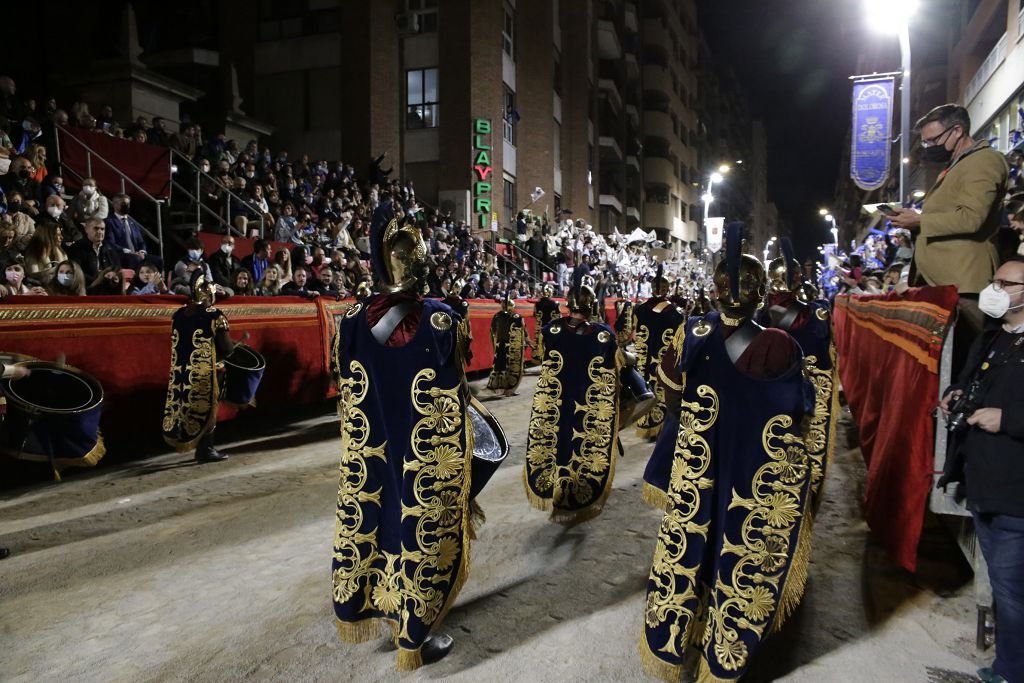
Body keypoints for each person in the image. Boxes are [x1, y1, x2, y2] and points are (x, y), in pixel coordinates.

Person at [640, 223, 812, 682]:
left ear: (714, 292)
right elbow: (800, 411)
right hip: (750, 469)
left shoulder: (690, 331)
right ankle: (724, 643)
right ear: (760, 296)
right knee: (736, 549)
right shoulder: (781, 345)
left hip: (699, 466)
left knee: (692, 545)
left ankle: (683, 637)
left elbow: (670, 396)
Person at [331, 201, 472, 669]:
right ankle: (415, 636)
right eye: (407, 247)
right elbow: (458, 396)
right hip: (421, 459)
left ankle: (381, 610)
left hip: (374, 458)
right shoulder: (439, 319)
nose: (417, 256)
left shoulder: (350, 321)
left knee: (375, 524)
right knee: (418, 528)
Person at [938, 257, 1024, 683]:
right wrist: (955, 395)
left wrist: (1006, 419)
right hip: (984, 483)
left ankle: (1012, 670)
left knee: (1010, 592)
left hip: (1015, 492)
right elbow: (971, 383)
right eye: (993, 281)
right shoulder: (992, 338)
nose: (995, 289)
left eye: (1006, 283)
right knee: (1007, 588)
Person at [889, 104, 1009, 333]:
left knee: (964, 356)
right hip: (944, 283)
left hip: (964, 282)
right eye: (926, 142)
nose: (929, 147)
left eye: (933, 140)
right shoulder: (956, 165)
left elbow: (972, 218)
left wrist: (920, 221)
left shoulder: (983, 160)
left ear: (957, 131)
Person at [524, 275, 623, 524]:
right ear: (591, 306)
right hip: (587, 403)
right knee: (584, 445)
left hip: (555, 402)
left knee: (557, 442)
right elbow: (614, 373)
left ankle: (558, 492)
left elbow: (540, 359)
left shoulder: (552, 331)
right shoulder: (603, 335)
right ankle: (576, 495)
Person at [163, 270, 242, 463]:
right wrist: (233, 345)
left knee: (187, 408)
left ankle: (196, 444)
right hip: (207, 370)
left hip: (182, 370)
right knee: (209, 407)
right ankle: (206, 448)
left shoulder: (179, 314)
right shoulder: (214, 315)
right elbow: (226, 348)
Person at [631, 268, 685, 441]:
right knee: (663, 389)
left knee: (647, 389)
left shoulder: (639, 310)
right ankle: (663, 428)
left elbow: (632, 335)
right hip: (664, 362)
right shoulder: (676, 314)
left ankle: (648, 426)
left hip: (644, 363)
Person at [486, 293, 528, 396]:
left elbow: (493, 331)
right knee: (508, 367)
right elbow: (522, 330)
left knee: (501, 366)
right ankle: (508, 389)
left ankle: (502, 388)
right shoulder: (514, 316)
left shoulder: (498, 315)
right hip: (509, 346)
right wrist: (526, 340)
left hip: (500, 345)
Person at [104, 194, 153, 270]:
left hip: (137, 254)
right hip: (120, 254)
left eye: (128, 204)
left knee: (158, 260)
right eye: (123, 204)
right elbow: (111, 242)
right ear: (114, 205)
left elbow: (141, 241)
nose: (126, 206)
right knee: (135, 259)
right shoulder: (109, 222)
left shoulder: (133, 223)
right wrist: (130, 252)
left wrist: (142, 251)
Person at [532, 283, 560, 361]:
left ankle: (540, 359)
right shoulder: (554, 303)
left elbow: (535, 315)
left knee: (540, 344)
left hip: (540, 327)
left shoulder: (537, 304)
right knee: (550, 345)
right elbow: (558, 317)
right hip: (550, 328)